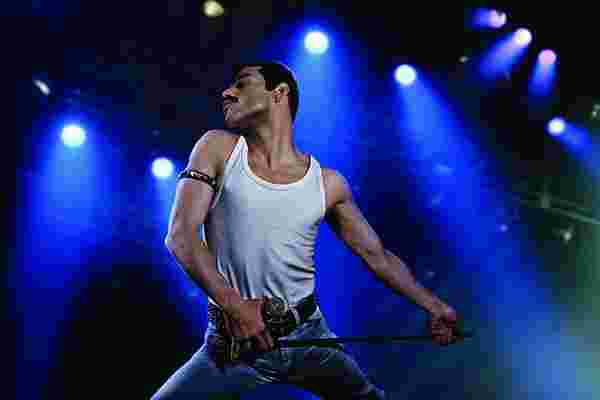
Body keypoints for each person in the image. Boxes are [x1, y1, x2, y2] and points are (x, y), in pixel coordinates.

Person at [152, 61, 461, 399]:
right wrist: (236, 307)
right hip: (234, 346)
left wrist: (435, 307)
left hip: (310, 338)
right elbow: (181, 236)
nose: (227, 92)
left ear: (279, 93)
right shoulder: (216, 148)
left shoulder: (328, 183)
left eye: (241, 83)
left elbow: (378, 256)